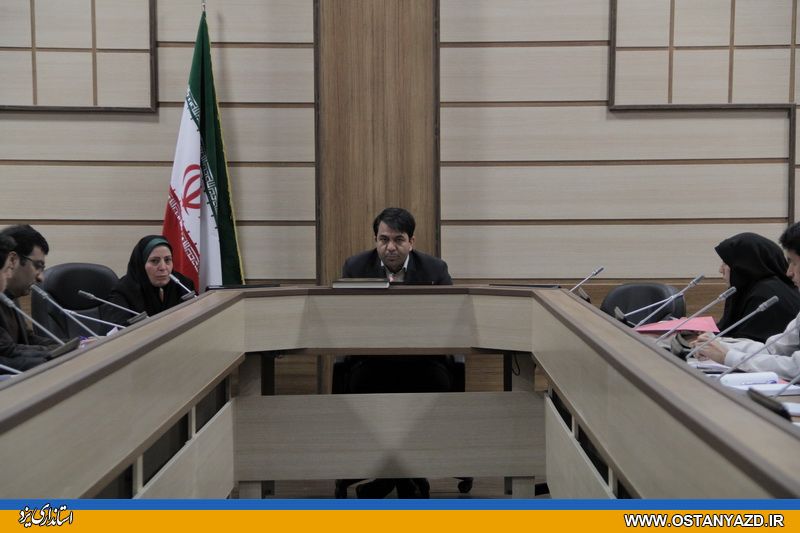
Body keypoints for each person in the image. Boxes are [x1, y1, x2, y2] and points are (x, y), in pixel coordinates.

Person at [339, 207, 454, 499]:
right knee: (363, 386)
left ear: (411, 241)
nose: (390, 247)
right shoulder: (355, 267)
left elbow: (450, 320)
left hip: (422, 362)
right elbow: (345, 320)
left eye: (398, 240)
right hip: (373, 362)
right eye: (384, 239)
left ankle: (388, 479)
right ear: (375, 240)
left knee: (435, 386)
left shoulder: (435, 270)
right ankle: (404, 479)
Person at [694, 223, 800, 379]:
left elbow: (796, 368)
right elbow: (772, 349)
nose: (789, 272)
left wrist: (728, 356)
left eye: (794, 263)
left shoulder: (766, 294)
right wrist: (717, 344)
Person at [714, 232, 800, 342]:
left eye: (726, 263)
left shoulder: (765, 295)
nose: (720, 270)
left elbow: (755, 344)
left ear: (745, 265)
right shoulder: (754, 288)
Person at [0, 225, 58, 371]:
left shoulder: (11, 296)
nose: (41, 277)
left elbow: (27, 340)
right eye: (37, 266)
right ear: (13, 261)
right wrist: (55, 356)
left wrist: (74, 345)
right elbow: (8, 351)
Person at [104, 236, 195, 325]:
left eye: (167, 260)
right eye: (154, 261)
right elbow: (118, 330)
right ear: (141, 264)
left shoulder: (183, 284)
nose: (163, 267)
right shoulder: (122, 292)